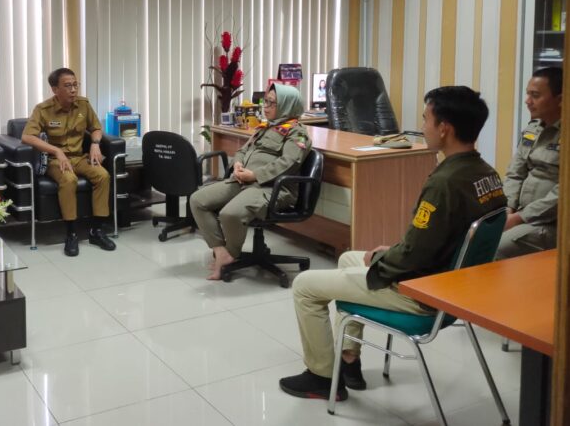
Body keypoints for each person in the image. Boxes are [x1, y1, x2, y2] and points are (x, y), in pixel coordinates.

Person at [279, 86, 506, 402]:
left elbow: (414, 254)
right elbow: (431, 240)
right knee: (348, 259)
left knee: (305, 286)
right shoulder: (487, 174)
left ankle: (321, 377)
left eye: (426, 119)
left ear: (444, 128)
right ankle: (349, 361)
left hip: (422, 293)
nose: (422, 127)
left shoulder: (445, 182)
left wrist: (382, 260)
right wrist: (391, 252)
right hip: (451, 285)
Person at [191, 83, 311, 280]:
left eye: (272, 103)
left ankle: (231, 253)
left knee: (230, 213)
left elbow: (288, 163)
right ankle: (221, 252)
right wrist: (238, 163)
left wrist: (255, 175)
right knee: (197, 200)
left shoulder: (297, 133)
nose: (265, 106)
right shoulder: (266, 127)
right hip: (243, 181)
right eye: (266, 101)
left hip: (272, 188)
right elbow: (243, 149)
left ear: (287, 105)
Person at [21, 68, 115, 257]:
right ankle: (71, 234)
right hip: (56, 160)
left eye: (75, 85)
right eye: (67, 86)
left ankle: (96, 231)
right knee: (69, 179)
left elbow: (96, 128)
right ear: (55, 89)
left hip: (79, 157)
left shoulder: (83, 104)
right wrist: (56, 151)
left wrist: (95, 144)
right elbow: (27, 137)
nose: (73, 90)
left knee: (103, 175)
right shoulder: (43, 109)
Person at [497, 66, 561, 258]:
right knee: (471, 236)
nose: (527, 101)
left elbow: (562, 194)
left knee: (496, 248)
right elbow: (515, 173)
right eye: (528, 94)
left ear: (560, 99)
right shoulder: (533, 129)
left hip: (551, 222)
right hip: (519, 213)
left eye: (535, 95)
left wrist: (518, 218)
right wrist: (507, 208)